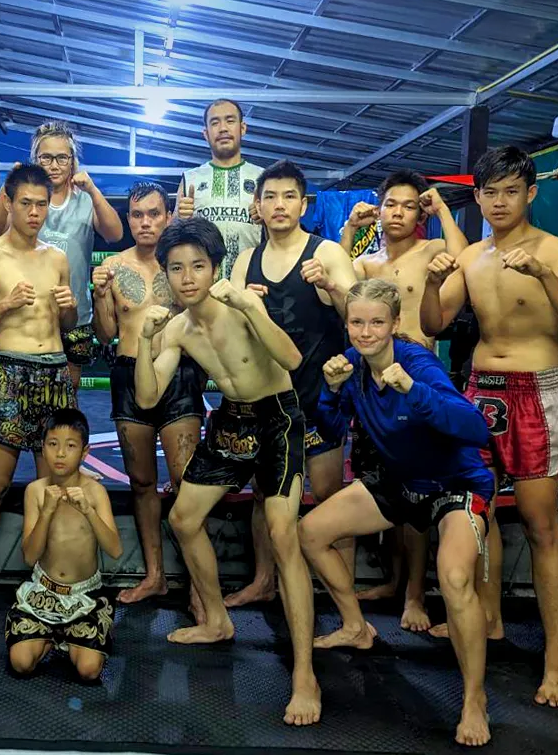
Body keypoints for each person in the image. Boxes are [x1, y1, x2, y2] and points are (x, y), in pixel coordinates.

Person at [420, 145, 558, 709]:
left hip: (536, 389)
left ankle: (555, 661)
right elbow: (435, 322)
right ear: (477, 197)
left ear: (530, 193)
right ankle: (489, 620)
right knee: (478, 512)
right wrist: (430, 280)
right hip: (479, 394)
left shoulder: (555, 250)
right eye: (490, 192)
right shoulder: (471, 256)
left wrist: (545, 274)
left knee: (544, 528)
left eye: (510, 191)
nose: (500, 202)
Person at [134, 217, 320, 726]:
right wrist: (145, 344)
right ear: (165, 275)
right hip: (232, 421)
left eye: (197, 266)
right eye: (176, 269)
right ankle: (216, 619)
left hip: (278, 415)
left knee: (284, 535)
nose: (188, 277)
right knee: (183, 519)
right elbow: (149, 396)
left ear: (214, 268)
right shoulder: (176, 327)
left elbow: (291, 356)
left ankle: (305, 673)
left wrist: (252, 309)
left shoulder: (241, 304)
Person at [300, 278, 494, 747]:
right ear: (347, 325)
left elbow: (476, 429)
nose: (366, 333)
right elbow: (329, 426)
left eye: (376, 323)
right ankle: (354, 627)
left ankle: (474, 699)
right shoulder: (352, 366)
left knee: (453, 578)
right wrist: (328, 392)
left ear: (394, 324)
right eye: (357, 323)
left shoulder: (418, 363)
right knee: (311, 531)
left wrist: (415, 392)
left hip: (454, 485)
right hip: (399, 483)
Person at [340, 170, 469, 631]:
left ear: (420, 212)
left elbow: (464, 258)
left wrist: (445, 212)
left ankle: (415, 593)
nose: (397, 213)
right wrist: (350, 230)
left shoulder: (432, 251)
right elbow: (337, 277)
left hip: (416, 383)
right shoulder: (369, 263)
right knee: (382, 491)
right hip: (372, 389)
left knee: (417, 497)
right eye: (390, 204)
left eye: (408, 205)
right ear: (379, 208)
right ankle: (394, 583)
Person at [226, 159, 356, 609]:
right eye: (269, 196)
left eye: (288, 196)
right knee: (265, 493)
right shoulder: (246, 260)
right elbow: (233, 332)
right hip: (269, 397)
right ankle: (265, 581)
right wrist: (245, 309)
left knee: (329, 497)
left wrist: (332, 290)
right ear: (257, 206)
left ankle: (342, 602)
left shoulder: (327, 254)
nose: (278, 205)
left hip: (318, 395)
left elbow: (360, 323)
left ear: (303, 204)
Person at [0, 164, 79, 623]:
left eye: (41, 204)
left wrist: (71, 309)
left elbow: (66, 325)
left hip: (52, 374)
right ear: (8, 202)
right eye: (25, 203)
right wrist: (4, 305)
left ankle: (53, 584)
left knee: (55, 487)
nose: (33, 212)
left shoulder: (57, 258)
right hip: (9, 372)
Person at [91, 181, 204, 604]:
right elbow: (106, 332)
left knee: (185, 482)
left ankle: (199, 584)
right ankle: (154, 575)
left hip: (179, 374)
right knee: (142, 482)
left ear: (168, 216)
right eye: (137, 215)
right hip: (127, 370)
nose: (145, 222)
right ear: (128, 219)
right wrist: (100, 295)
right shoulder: (114, 266)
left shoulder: (183, 263)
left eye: (154, 213)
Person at [0, 122, 124, 386]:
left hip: (75, 313)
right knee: (22, 393)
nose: (54, 164)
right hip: (25, 313)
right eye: (46, 157)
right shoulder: (24, 198)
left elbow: (114, 233)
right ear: (35, 160)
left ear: (73, 161)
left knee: (67, 400)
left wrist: (93, 191)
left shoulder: (84, 199)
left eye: (62, 157)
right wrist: (9, 185)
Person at [6, 408, 122, 680]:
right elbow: (29, 556)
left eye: (70, 446)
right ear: (43, 448)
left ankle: (72, 642)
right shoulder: (35, 491)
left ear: (84, 452)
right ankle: (49, 640)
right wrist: (46, 512)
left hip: (84, 595)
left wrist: (89, 512)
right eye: (52, 444)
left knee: (89, 670)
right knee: (21, 663)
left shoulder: (95, 492)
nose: (60, 454)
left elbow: (115, 550)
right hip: (42, 592)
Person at [176, 99, 264, 281]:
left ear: (243, 128)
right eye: (215, 122)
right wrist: (180, 220)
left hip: (252, 288)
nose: (223, 128)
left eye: (230, 121)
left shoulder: (262, 178)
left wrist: (267, 220)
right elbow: (171, 240)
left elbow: (281, 236)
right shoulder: (190, 179)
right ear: (206, 134)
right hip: (203, 292)